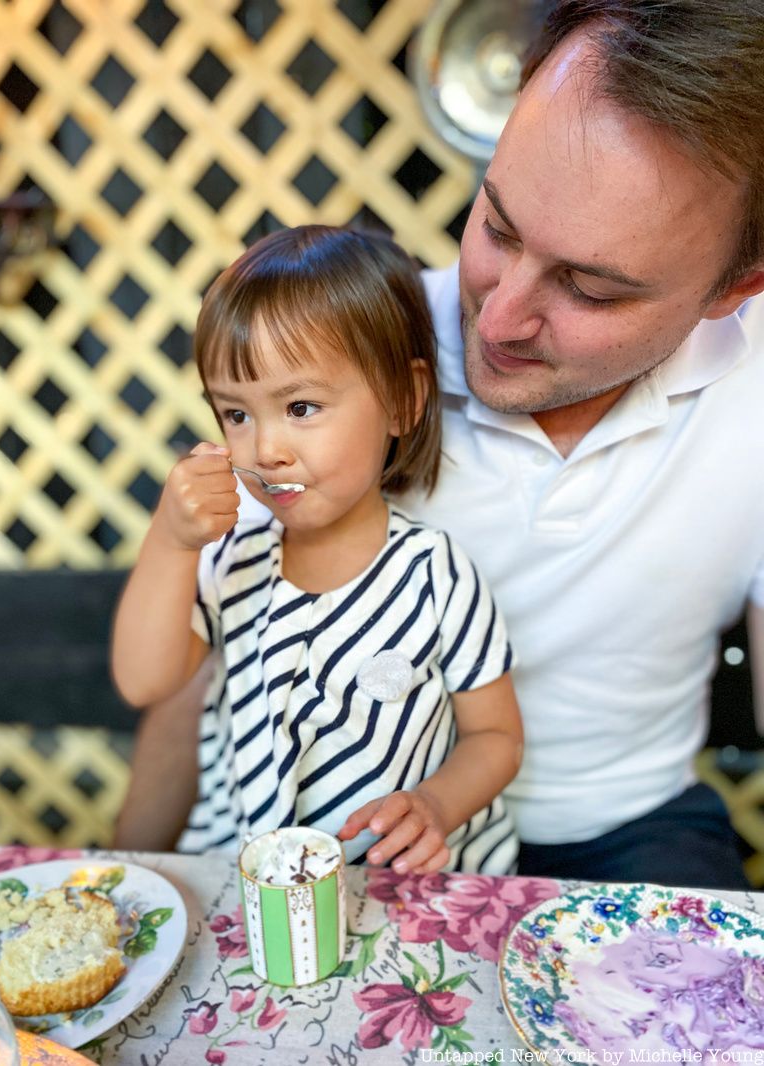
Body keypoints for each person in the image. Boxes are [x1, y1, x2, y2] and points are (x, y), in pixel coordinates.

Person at [115, 0, 764, 890]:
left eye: (590, 289)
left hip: (630, 828)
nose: (494, 316)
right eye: (495, 226)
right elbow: (207, 666)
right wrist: (123, 879)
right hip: (344, 832)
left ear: (735, 288)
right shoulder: (338, 370)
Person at [111, 225, 523, 875]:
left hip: (397, 888)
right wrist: (170, 541)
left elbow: (496, 737)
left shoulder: (435, 575)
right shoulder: (232, 559)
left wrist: (436, 804)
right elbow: (143, 681)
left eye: (300, 407)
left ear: (403, 400)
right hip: (249, 884)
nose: (265, 447)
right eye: (236, 415)